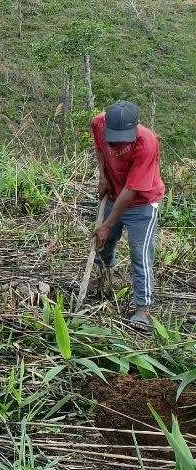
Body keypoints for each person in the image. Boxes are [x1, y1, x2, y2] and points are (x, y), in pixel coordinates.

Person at [90, 100, 165, 328]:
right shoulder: (98, 123)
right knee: (104, 245)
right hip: (113, 196)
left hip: (142, 203)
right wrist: (103, 176)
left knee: (139, 255)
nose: (118, 141)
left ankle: (142, 309)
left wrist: (106, 224)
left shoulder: (146, 143)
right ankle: (102, 282)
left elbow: (131, 191)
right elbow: (100, 149)